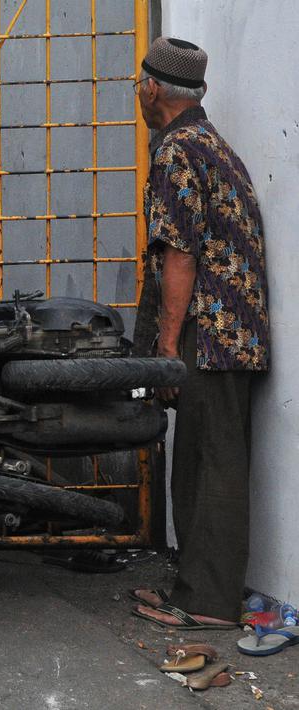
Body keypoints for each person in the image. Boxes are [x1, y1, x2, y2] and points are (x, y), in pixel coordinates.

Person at [128, 37, 269, 631]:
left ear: (153, 89)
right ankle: (197, 585)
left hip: (206, 335)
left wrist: (166, 344)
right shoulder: (211, 146)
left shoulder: (178, 152)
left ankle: (210, 603)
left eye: (139, 83)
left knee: (210, 465)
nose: (137, 93)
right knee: (200, 462)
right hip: (231, 331)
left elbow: (179, 255)